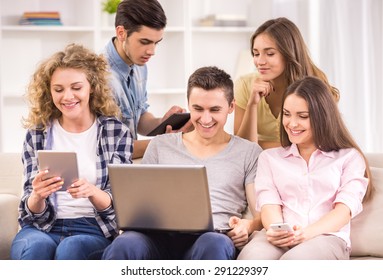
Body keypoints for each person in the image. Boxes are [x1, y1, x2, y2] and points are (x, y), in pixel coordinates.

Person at [102, 66, 263, 260]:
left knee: (214, 244)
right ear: (188, 104)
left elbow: (261, 213)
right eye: (198, 109)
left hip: (213, 237)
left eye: (214, 110)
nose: (205, 119)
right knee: (125, 243)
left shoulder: (249, 152)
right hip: (156, 237)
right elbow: (139, 203)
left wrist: (248, 226)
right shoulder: (160, 145)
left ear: (231, 107)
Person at [10, 43, 133, 260]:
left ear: (91, 87)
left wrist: (92, 192)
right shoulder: (37, 134)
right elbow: (30, 211)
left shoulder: (115, 132)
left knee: (70, 249)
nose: (67, 97)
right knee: (35, 248)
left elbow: (121, 204)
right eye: (58, 89)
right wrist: (38, 195)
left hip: (93, 228)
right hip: (42, 227)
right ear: (49, 91)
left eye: (76, 87)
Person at [237, 76, 373, 260]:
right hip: (280, 237)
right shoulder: (269, 158)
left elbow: (343, 212)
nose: (292, 124)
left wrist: (306, 234)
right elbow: (269, 205)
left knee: (294, 261)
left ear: (322, 117)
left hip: (326, 238)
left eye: (302, 116)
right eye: (286, 114)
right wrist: (276, 230)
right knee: (253, 259)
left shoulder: (349, 158)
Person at [103, 0, 192, 159]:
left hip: (130, 166)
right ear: (121, 33)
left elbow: (139, 119)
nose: (152, 51)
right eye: (144, 42)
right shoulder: (100, 76)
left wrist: (162, 123)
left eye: (156, 43)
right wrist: (169, 143)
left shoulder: (139, 66)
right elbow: (113, 148)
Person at [234, 17, 340, 150]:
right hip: (259, 163)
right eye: (256, 54)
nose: (260, 61)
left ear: (289, 53)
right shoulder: (245, 85)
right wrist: (252, 104)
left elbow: (319, 143)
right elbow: (241, 149)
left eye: (270, 54)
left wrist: (259, 144)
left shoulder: (315, 87)